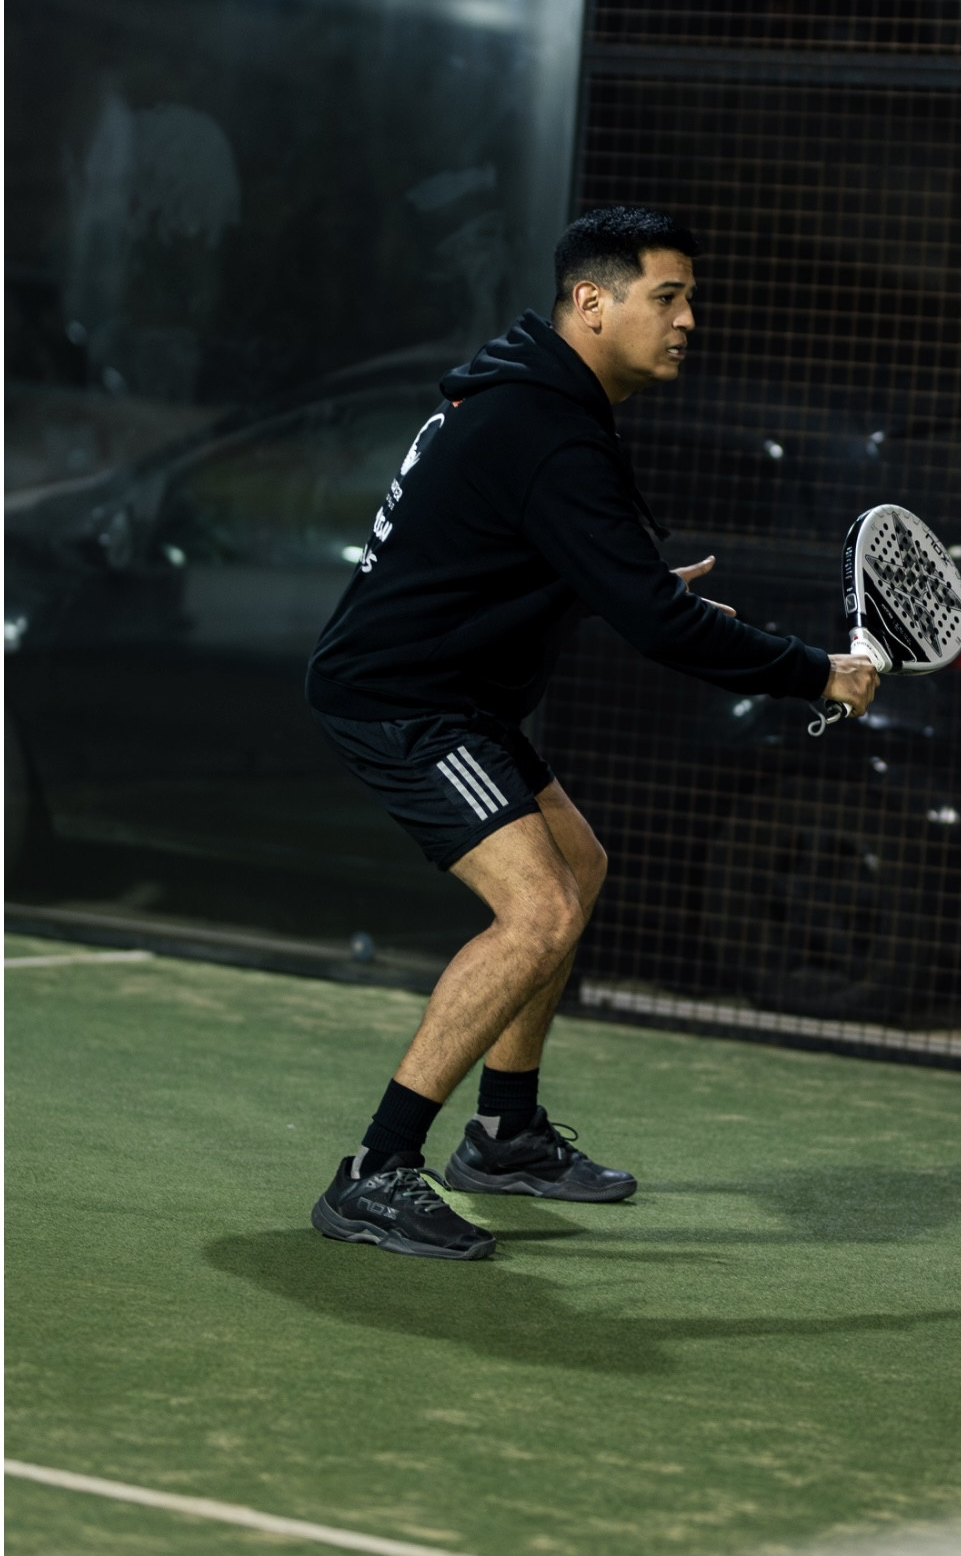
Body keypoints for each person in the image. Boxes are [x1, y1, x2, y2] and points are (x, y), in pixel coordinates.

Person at [305, 206, 880, 1260]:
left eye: (691, 298)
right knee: (539, 910)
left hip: (455, 691)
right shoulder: (546, 425)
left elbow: (520, 554)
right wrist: (819, 673)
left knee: (579, 866)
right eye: (667, 296)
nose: (689, 319)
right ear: (591, 302)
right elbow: (658, 626)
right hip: (402, 698)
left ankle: (506, 1135)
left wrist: (627, 586)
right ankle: (374, 1171)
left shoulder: (541, 400)